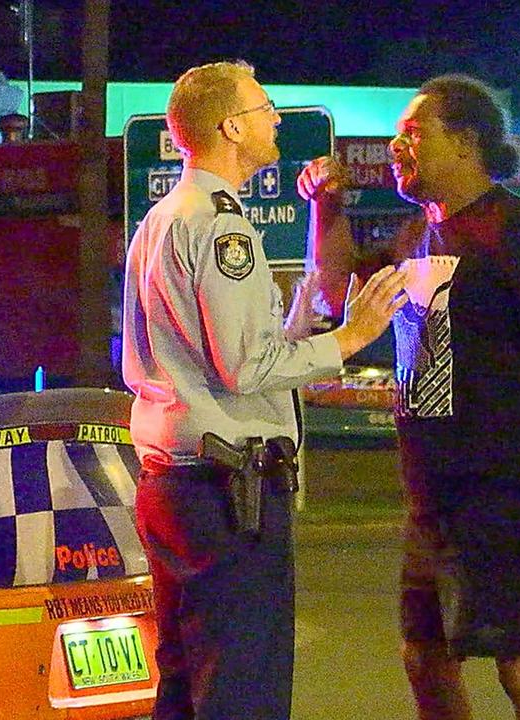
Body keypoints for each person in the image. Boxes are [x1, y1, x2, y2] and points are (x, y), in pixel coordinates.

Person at [298, 74, 520, 720]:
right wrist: (324, 208)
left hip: (504, 492)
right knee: (424, 658)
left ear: (465, 142)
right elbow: (335, 296)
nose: (396, 144)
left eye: (413, 132)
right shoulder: (419, 237)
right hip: (433, 498)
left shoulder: (514, 229)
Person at [120, 61, 408, 720]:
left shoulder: (168, 216)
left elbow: (224, 351)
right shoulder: (219, 225)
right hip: (228, 492)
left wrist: (297, 318)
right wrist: (350, 337)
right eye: (264, 107)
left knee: (186, 681)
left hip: (175, 480)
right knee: (240, 685)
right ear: (230, 127)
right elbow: (245, 369)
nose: (276, 117)